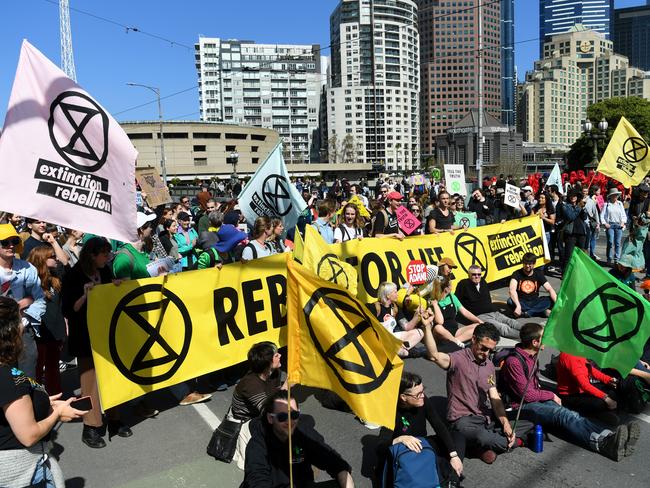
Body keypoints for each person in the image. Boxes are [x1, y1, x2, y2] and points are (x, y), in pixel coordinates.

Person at [500, 323, 638, 461]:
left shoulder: (532, 356)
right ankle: (603, 444)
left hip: (537, 398)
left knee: (572, 415)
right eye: (544, 337)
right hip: (520, 406)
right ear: (535, 342)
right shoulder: (514, 362)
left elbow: (590, 370)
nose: (547, 340)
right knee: (563, 414)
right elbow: (527, 395)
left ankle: (610, 436)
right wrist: (552, 395)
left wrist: (609, 380)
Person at [0, 296, 87, 488]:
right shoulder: (7, 378)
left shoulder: (7, 369)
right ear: (8, 331)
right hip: (24, 474)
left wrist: (45, 402)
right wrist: (57, 413)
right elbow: (29, 435)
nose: (23, 324)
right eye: (20, 317)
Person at [62, 237, 132, 448]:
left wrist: (115, 286)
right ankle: (90, 427)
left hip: (106, 333)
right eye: (105, 254)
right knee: (89, 383)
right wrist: (85, 296)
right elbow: (68, 310)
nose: (108, 258)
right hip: (84, 337)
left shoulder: (105, 271)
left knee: (113, 376)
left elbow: (109, 295)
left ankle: (114, 419)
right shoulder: (74, 275)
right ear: (92, 255)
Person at [421, 322, 520, 464]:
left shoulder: (490, 365)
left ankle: (477, 448)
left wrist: (505, 423)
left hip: (485, 418)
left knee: (522, 420)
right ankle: (513, 442)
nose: (486, 354)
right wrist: (426, 327)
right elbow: (434, 356)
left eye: (490, 351)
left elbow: (494, 397)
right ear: (474, 339)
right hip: (462, 421)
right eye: (483, 348)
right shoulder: (458, 359)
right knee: (482, 436)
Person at [242, 390, 354, 488]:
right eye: (282, 417)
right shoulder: (257, 445)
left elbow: (334, 461)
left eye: (294, 415)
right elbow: (257, 481)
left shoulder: (303, 432)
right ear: (271, 418)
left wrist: (344, 478)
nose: (290, 422)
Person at [377, 372, 464, 487]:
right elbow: (380, 447)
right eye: (418, 394)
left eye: (423, 390)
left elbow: (439, 426)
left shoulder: (422, 400)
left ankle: (451, 473)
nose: (422, 395)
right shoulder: (391, 410)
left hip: (423, 445)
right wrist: (400, 439)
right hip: (405, 453)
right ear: (403, 397)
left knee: (457, 437)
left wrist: (454, 455)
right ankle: (442, 476)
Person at [228, 342, 285, 469]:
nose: (280, 355)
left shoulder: (274, 372)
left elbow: (274, 395)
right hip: (246, 421)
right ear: (268, 363)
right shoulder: (251, 384)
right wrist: (286, 387)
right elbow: (267, 411)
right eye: (276, 355)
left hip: (258, 413)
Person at [0, 224, 46, 379]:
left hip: (24, 332)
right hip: (1, 334)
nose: (11, 246)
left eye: (14, 241)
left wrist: (23, 309)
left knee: (27, 380)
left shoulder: (27, 268)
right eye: (5, 242)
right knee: (6, 384)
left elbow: (39, 299)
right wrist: (18, 305)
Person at [26, 246, 66, 395]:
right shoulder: (31, 281)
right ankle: (37, 402)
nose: (55, 259)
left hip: (55, 331)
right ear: (42, 259)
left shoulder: (56, 276)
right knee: (36, 371)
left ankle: (56, 399)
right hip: (39, 333)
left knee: (53, 368)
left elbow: (65, 262)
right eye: (52, 256)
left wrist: (54, 241)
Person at [455, 265, 522, 340]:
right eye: (474, 274)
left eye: (479, 274)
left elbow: (488, 298)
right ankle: (528, 337)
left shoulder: (483, 281)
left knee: (511, 321)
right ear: (469, 274)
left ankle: (531, 331)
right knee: (503, 328)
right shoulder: (463, 284)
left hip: (493, 312)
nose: (477, 276)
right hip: (479, 316)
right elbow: (456, 302)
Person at [368, 281, 430, 358]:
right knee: (404, 353)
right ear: (388, 295)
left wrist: (416, 315)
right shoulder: (373, 307)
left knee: (420, 332)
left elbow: (407, 327)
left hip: (393, 339)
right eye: (395, 292)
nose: (397, 294)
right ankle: (403, 351)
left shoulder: (395, 307)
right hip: (380, 341)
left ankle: (400, 349)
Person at [556, 352, 618, 419]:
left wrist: (608, 380)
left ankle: (604, 411)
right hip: (570, 394)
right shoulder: (569, 357)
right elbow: (584, 385)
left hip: (582, 389)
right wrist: (606, 398)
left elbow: (590, 370)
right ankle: (596, 415)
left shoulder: (577, 351)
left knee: (611, 392)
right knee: (599, 403)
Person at [428, 276, 481, 348]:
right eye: (450, 285)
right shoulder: (433, 301)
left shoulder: (452, 297)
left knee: (478, 326)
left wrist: (478, 320)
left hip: (455, 331)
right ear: (446, 289)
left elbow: (464, 311)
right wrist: (435, 305)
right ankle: (455, 342)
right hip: (440, 335)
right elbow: (440, 321)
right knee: (438, 327)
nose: (452, 287)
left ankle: (455, 341)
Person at [508, 252, 556, 318]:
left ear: (534, 264)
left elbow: (549, 289)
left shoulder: (538, 274)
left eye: (530, 264)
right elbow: (512, 290)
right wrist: (518, 306)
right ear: (523, 263)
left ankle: (529, 313)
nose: (527, 266)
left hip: (535, 301)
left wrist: (557, 303)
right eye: (525, 263)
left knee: (553, 298)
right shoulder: (516, 273)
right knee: (510, 301)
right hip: (522, 301)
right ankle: (540, 311)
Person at [560, 189, 588, 272]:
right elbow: (571, 216)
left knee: (580, 254)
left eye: (574, 196)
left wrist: (583, 208)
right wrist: (579, 207)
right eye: (571, 196)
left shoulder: (580, 205)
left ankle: (578, 272)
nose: (573, 197)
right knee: (568, 255)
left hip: (581, 232)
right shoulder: (565, 206)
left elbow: (584, 217)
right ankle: (565, 273)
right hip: (571, 233)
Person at [600, 187, 627, 264]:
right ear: (610, 196)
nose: (615, 196)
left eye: (616, 195)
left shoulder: (620, 204)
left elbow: (624, 215)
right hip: (610, 225)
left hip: (619, 225)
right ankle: (609, 258)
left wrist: (623, 222)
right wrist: (605, 223)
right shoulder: (607, 204)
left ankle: (616, 259)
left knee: (618, 243)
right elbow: (602, 215)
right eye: (614, 195)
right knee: (610, 242)